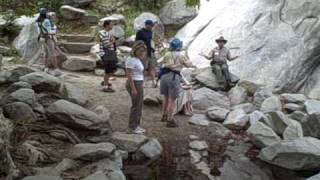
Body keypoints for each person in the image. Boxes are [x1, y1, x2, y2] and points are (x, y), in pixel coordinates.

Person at [159, 38, 196, 128]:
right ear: (179, 46)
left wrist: (173, 65)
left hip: (164, 77)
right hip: (174, 77)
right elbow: (189, 65)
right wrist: (182, 63)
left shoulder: (167, 54)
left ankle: (164, 115)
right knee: (172, 99)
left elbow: (165, 64)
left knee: (166, 97)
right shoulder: (181, 55)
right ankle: (170, 119)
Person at [126, 41, 147, 134]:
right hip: (134, 83)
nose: (142, 53)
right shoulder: (131, 59)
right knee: (136, 106)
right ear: (135, 50)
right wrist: (133, 88)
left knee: (139, 105)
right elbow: (129, 75)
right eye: (140, 51)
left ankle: (136, 125)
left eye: (144, 51)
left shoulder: (137, 59)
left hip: (138, 82)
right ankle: (132, 127)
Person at [37, 8, 61, 76]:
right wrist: (55, 30)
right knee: (52, 54)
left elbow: (40, 31)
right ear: (45, 13)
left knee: (45, 54)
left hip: (42, 38)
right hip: (48, 39)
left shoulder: (39, 21)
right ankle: (56, 69)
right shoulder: (46, 21)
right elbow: (50, 31)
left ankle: (46, 68)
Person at [97, 20, 118, 92]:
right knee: (108, 70)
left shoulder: (108, 33)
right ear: (107, 25)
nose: (112, 26)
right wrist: (113, 41)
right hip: (106, 53)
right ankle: (105, 85)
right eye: (111, 25)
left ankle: (105, 81)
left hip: (111, 52)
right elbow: (106, 45)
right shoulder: (103, 33)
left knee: (113, 69)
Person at [135, 20, 156, 88]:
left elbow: (150, 41)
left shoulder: (150, 32)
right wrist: (139, 51)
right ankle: (142, 82)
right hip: (143, 52)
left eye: (152, 25)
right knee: (143, 67)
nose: (152, 27)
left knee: (152, 67)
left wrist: (152, 49)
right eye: (151, 25)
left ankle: (154, 82)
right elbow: (137, 42)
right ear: (147, 25)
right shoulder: (140, 32)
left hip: (150, 51)